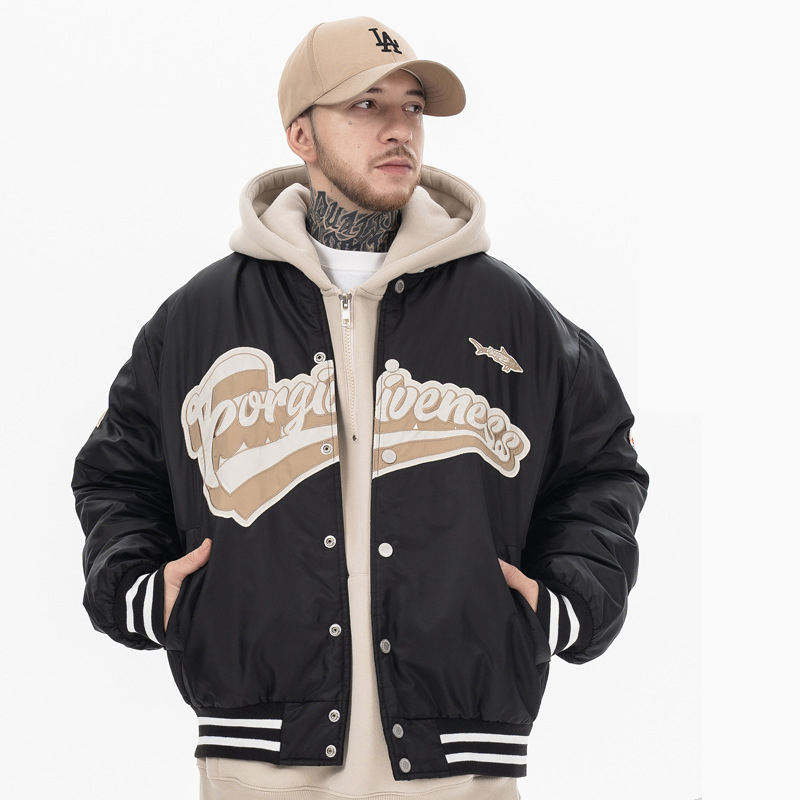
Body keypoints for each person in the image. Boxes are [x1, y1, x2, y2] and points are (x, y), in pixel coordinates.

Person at [72, 16, 649, 800]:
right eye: (366, 105)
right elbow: (117, 473)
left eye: (412, 107)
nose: (399, 128)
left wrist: (569, 598)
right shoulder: (201, 319)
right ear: (300, 135)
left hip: (458, 761)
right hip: (261, 756)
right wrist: (146, 592)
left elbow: (600, 463)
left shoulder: (512, 316)